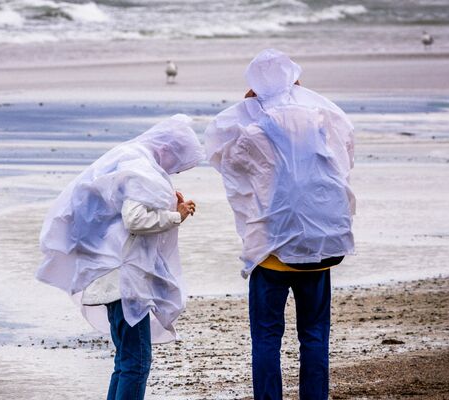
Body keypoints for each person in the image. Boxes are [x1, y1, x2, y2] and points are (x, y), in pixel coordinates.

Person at [205, 49, 356, 400]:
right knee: (314, 335)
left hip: (272, 249)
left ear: (255, 85)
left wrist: (249, 107)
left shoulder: (255, 129)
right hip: (319, 246)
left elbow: (227, 159)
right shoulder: (319, 119)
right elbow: (345, 151)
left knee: (267, 338)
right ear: (294, 80)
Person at [36, 114, 203, 400]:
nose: (174, 170)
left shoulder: (129, 161)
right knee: (137, 363)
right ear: (167, 149)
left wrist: (169, 207)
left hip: (111, 278)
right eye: (176, 162)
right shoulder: (141, 170)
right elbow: (135, 219)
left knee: (125, 361)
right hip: (126, 282)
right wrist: (176, 215)